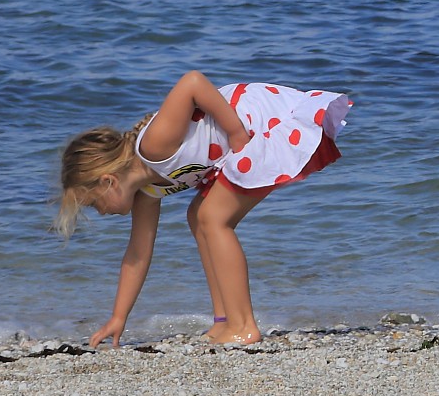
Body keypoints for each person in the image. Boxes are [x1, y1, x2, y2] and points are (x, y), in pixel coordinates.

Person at [56, 71, 349, 346]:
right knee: (197, 216)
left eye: (94, 203)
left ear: (108, 181)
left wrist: (234, 132)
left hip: (255, 123)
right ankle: (223, 320)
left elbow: (192, 83)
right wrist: (119, 317)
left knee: (212, 218)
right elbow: (137, 254)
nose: (101, 212)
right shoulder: (147, 192)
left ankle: (244, 325)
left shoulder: (153, 147)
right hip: (234, 148)